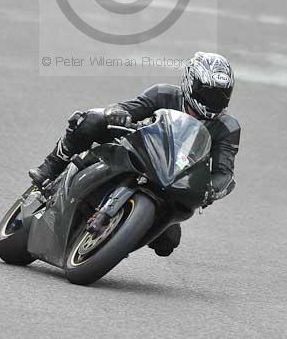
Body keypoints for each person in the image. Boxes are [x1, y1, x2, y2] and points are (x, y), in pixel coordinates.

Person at [29, 52, 240, 257]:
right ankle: (53, 165)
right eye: (208, 93)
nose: (214, 101)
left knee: (168, 243)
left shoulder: (227, 127)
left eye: (222, 95)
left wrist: (212, 190)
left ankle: (118, 238)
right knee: (90, 120)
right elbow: (126, 107)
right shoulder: (163, 94)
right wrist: (119, 114)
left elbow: (224, 171)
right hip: (138, 152)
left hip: (173, 181)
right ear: (190, 83)